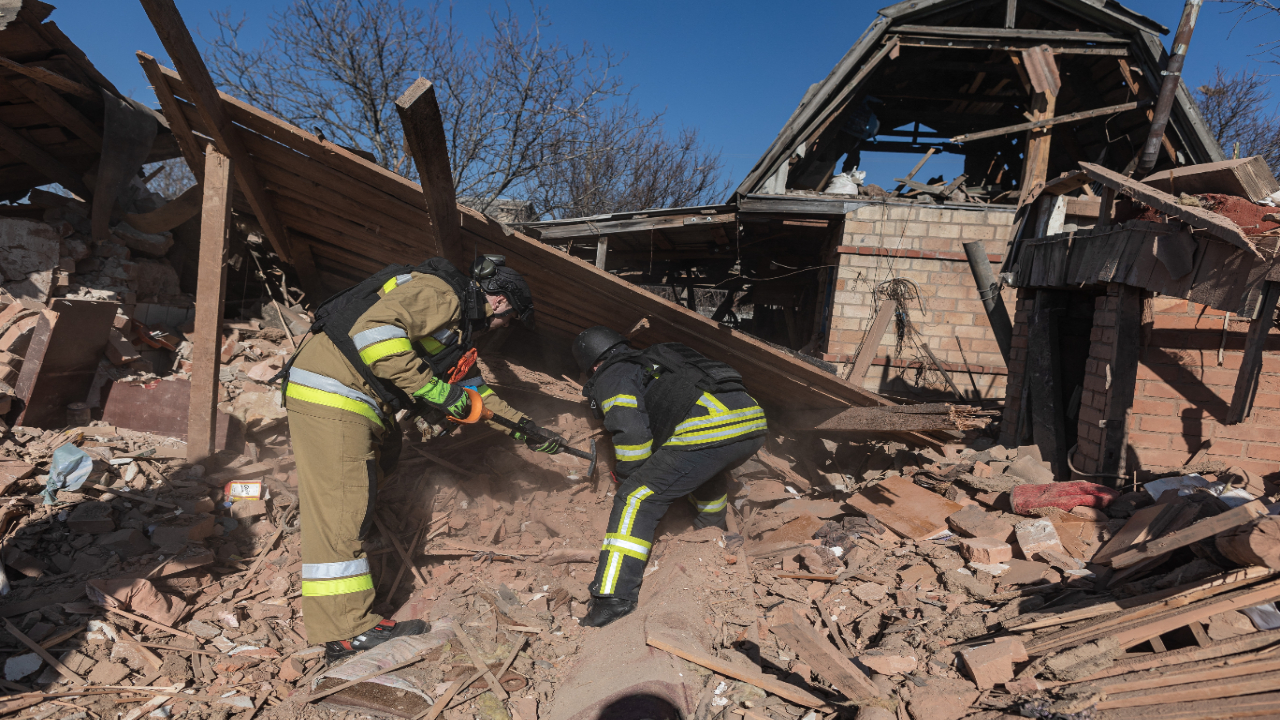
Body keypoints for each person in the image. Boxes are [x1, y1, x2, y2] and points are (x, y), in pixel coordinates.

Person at [283, 255, 561, 660]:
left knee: (365, 486)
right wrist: (434, 392)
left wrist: (528, 430)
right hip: (334, 393)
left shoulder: (454, 332)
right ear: (500, 302)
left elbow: (475, 397)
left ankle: (349, 597)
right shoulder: (443, 293)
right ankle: (347, 631)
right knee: (342, 509)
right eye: (510, 318)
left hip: (353, 399)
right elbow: (373, 334)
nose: (505, 327)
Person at [571, 326, 767, 627]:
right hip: (751, 423)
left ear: (593, 364)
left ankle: (613, 599)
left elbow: (633, 435)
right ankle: (710, 539)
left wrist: (630, 478)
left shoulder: (613, 373)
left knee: (636, 497)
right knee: (704, 472)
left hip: (711, 427)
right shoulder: (654, 360)